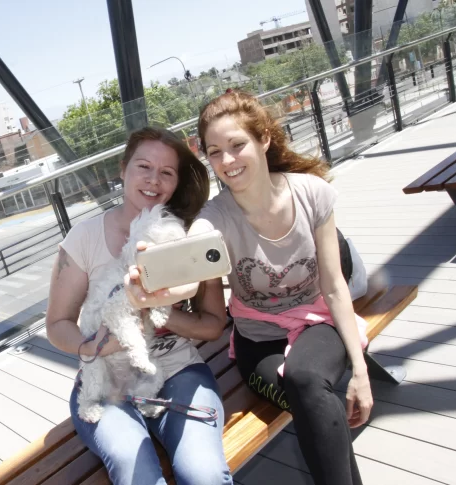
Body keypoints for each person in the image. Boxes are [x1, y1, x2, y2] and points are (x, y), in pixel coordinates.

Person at [126, 91, 372, 485]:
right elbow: (191, 270)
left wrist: (360, 372)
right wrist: (154, 292)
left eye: (237, 145)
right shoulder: (216, 217)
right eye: (215, 152)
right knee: (313, 399)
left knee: (306, 379)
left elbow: (334, 286)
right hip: (258, 342)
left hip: (319, 324)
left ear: (264, 140)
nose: (227, 161)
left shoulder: (311, 194)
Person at [46, 127, 233, 485]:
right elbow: (57, 323)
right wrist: (91, 346)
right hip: (108, 380)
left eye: (166, 172)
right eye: (143, 167)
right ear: (123, 169)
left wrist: (157, 309)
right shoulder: (83, 239)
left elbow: (212, 326)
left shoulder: (189, 235)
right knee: (137, 471)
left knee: (204, 474)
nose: (153, 180)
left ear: (177, 182)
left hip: (178, 371)